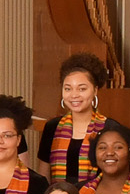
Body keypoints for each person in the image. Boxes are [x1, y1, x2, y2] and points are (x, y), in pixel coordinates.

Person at [38, 52, 110, 183]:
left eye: (82, 89)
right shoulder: (52, 127)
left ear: (95, 90)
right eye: (68, 89)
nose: (74, 95)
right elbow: (44, 177)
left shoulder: (110, 129)